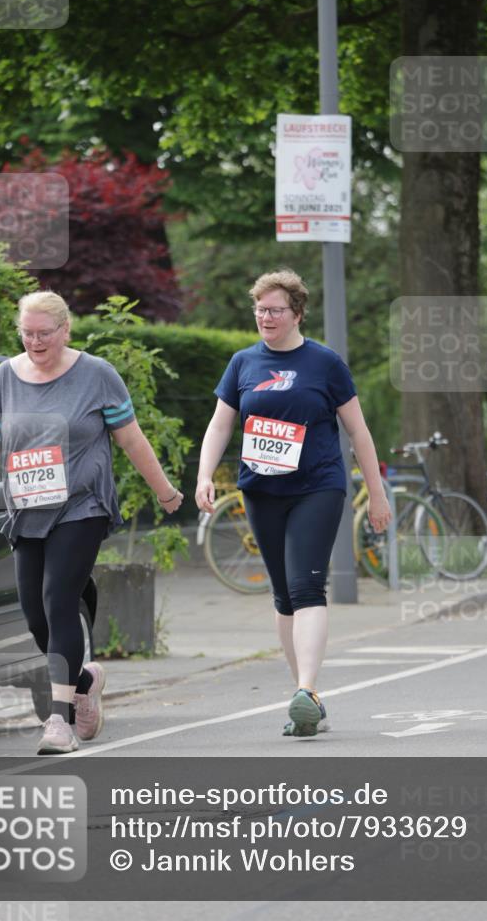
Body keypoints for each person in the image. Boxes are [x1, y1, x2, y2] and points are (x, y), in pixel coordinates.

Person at [0, 291, 183, 754]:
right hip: (27, 507)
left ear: (66, 330)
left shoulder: (97, 375)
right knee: (35, 615)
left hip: (82, 505)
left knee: (58, 599)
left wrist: (163, 490)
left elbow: (130, 438)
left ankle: (57, 722)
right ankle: (85, 680)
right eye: (28, 333)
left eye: (45, 333)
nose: (36, 341)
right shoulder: (6, 375)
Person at [195, 270, 390, 737]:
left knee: (306, 588)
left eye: (275, 309)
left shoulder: (324, 363)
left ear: (297, 313)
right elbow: (221, 424)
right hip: (261, 489)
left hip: (317, 487)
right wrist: (204, 475)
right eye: (260, 309)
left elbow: (357, 430)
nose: (266, 317)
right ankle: (304, 700)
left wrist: (377, 494)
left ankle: (307, 688)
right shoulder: (243, 363)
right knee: (283, 597)